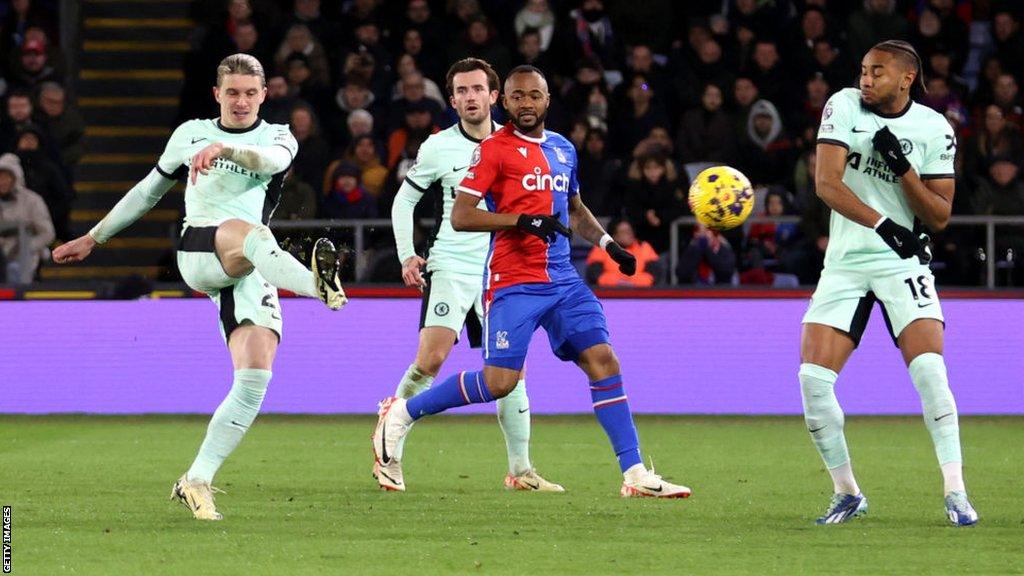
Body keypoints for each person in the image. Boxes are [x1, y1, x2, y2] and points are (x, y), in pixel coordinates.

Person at [52, 54, 347, 521]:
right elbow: (148, 191)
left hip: (248, 264)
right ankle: (317, 285)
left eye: (251, 93)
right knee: (254, 235)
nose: (242, 101)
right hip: (199, 249)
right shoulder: (189, 133)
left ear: (264, 95)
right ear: (217, 94)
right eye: (232, 92)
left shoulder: (278, 136)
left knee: (255, 379)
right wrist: (95, 237)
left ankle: (196, 480)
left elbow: (268, 162)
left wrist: (226, 151)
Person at [373, 65, 691, 498]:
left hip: (564, 280)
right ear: (506, 102)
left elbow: (574, 208)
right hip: (514, 280)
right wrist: (520, 220)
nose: (526, 104)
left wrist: (608, 243)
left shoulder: (562, 148)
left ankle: (634, 474)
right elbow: (462, 215)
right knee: (500, 381)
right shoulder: (493, 151)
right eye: (518, 97)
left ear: (547, 100)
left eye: (534, 96)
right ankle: (404, 412)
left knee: (604, 361)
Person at [806, 40, 977, 526]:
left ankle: (956, 492)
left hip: (904, 264)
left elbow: (940, 215)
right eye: (863, 69)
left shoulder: (933, 128)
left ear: (906, 79)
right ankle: (847, 493)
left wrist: (902, 169)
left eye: (877, 72)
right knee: (812, 382)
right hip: (845, 262)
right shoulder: (842, 105)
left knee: (930, 373)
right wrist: (884, 224)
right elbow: (826, 183)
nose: (865, 79)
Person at [383, 58, 561, 493]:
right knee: (432, 360)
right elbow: (403, 201)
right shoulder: (438, 147)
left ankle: (520, 471)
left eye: (477, 89)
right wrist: (408, 255)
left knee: (511, 372)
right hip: (452, 264)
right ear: (453, 100)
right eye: (461, 91)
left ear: (494, 96)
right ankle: (389, 434)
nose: (469, 97)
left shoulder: (517, 143)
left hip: (501, 271)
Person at [0, 152, 53, 283]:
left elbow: (47, 233)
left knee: (14, 271)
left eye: (6, 177)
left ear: (15, 178)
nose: (2, 182)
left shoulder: (32, 200)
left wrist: (27, 247)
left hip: (24, 256)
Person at [586, 219, 661, 286]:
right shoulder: (602, 248)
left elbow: (654, 274)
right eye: (624, 232)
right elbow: (594, 274)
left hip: (640, 292)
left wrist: (633, 283)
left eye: (630, 231)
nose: (630, 234)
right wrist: (617, 282)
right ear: (614, 236)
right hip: (609, 292)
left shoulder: (644, 247)